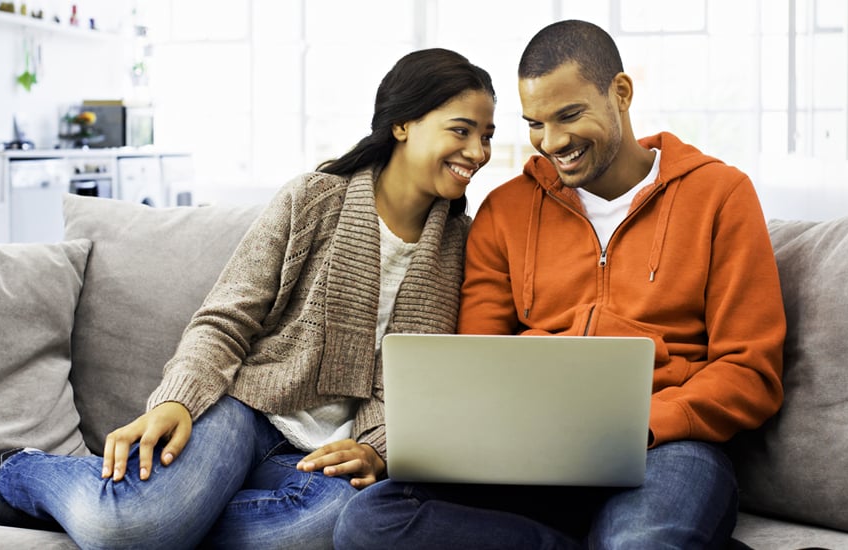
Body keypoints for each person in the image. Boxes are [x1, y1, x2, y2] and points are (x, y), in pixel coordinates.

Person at [0, 47, 496, 550]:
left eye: (487, 136)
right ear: (403, 123)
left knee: (327, 528)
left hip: (330, 447)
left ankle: (89, 511)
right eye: (461, 131)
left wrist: (375, 446)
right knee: (134, 524)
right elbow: (226, 317)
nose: (478, 152)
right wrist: (178, 398)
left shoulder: (461, 246)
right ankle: (19, 472)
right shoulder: (315, 198)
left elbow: (417, 377)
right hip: (250, 409)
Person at [334, 19, 785, 550]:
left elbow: (749, 369)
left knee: (640, 543)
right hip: (527, 452)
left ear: (620, 92)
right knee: (368, 522)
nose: (552, 143)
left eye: (569, 116)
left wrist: (642, 425)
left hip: (664, 446)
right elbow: (475, 362)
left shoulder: (720, 195)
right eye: (535, 123)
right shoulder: (505, 211)